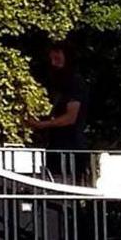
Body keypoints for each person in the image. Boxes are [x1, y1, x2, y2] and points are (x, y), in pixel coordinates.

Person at [23, 38, 93, 184]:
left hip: (71, 148)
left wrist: (42, 125)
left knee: (67, 184)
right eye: (52, 58)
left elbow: (70, 117)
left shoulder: (75, 83)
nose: (54, 63)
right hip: (55, 146)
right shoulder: (55, 83)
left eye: (57, 57)